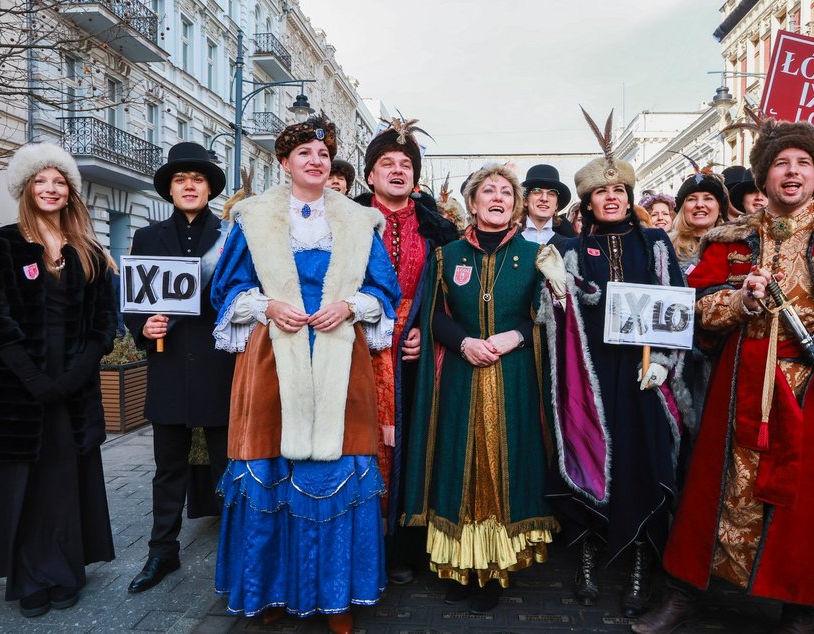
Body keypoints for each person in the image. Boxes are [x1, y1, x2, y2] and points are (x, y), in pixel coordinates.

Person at [634, 120, 814, 634]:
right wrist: (739, 300)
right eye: (781, 163)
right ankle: (686, 591)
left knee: (808, 505)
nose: (792, 172)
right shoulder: (729, 238)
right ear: (764, 176)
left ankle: (800, 606)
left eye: (803, 163)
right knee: (712, 494)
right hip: (739, 386)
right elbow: (698, 309)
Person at [210, 114, 400, 634]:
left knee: (339, 470)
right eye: (304, 155)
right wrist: (266, 306)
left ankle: (336, 595)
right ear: (285, 162)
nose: (315, 162)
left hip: (341, 354)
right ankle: (271, 587)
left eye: (322, 154)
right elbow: (225, 290)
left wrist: (351, 306)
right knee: (269, 468)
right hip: (273, 357)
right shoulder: (252, 218)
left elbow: (385, 290)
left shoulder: (359, 222)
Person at [0, 142, 117, 617]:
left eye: (59, 181)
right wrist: (33, 379)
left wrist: (74, 375)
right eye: (41, 181)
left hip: (73, 388)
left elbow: (103, 323)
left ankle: (63, 571)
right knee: (21, 482)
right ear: (26, 189)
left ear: (70, 191)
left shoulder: (88, 250)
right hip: (16, 390)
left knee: (62, 483)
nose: (50, 188)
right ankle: (28, 575)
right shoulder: (1, 243)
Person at [545, 110, 688, 618]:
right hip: (593, 372)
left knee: (643, 458)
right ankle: (588, 552)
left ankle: (638, 564)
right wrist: (559, 289)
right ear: (587, 202)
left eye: (621, 193)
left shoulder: (655, 243)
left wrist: (667, 363)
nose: (613, 199)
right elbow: (554, 314)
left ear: (629, 199)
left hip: (644, 374)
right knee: (592, 453)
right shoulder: (570, 248)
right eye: (602, 194)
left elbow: (675, 302)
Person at [402, 163, 559, 613]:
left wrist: (517, 336)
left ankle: (493, 569)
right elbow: (431, 315)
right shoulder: (446, 256)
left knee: (502, 466)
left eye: (506, 193)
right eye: (487, 191)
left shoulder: (536, 256)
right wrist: (463, 342)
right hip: (459, 376)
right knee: (458, 462)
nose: (497, 198)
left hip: (514, 380)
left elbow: (549, 318)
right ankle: (459, 566)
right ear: (472, 204)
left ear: (517, 205)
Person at [124, 142, 235, 594]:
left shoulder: (231, 236)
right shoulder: (147, 238)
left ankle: (238, 554)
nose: (189, 185)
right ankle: (161, 553)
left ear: (209, 189)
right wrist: (142, 327)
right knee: (167, 467)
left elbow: (244, 294)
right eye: (180, 180)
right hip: (168, 367)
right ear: (170, 190)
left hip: (218, 367)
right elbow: (133, 302)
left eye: (198, 179)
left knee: (229, 468)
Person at [352, 118, 458, 584]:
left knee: (414, 447)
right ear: (370, 175)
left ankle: (404, 546)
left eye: (405, 164)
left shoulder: (441, 230)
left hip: (417, 357)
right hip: (353, 351)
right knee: (357, 446)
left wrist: (426, 328)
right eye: (386, 163)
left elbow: (458, 297)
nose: (397, 170)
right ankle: (358, 545)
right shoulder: (345, 220)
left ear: (415, 177)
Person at [667, 171, 728, 277]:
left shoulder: (734, 247)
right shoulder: (667, 248)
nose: (699, 205)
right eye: (692, 199)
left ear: (720, 209)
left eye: (708, 198)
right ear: (683, 209)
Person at [519, 163, 575, 248]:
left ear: (556, 204)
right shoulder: (508, 241)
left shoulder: (569, 245)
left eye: (551, 193)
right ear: (525, 200)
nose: (544, 198)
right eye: (537, 192)